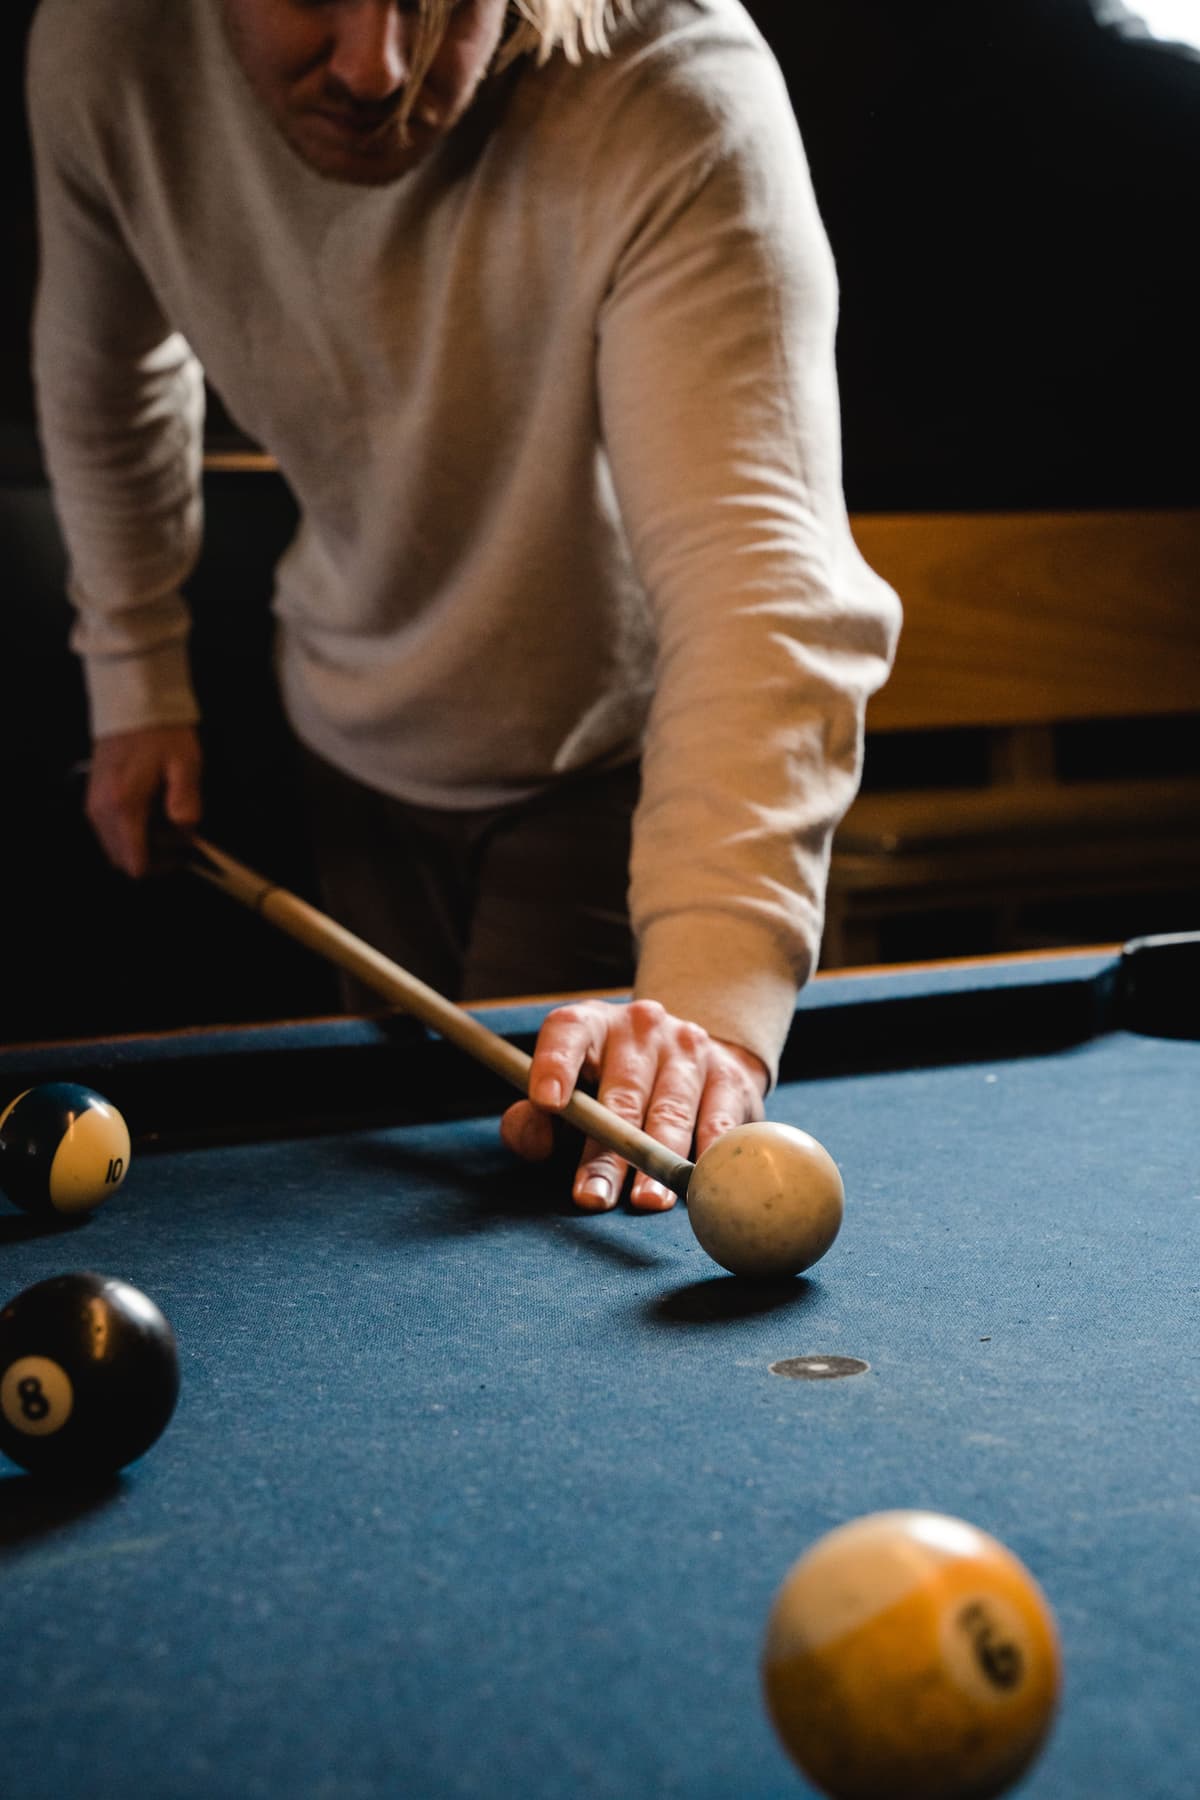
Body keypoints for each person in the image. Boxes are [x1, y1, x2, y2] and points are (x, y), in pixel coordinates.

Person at [27, 0, 901, 1213]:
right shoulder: (106, 45)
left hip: (612, 782)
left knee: (530, 1218)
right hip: (347, 741)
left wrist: (704, 1009)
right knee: (391, 1207)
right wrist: (133, 674)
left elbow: (753, 569)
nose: (376, 67)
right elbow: (108, 368)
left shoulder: (681, 87)